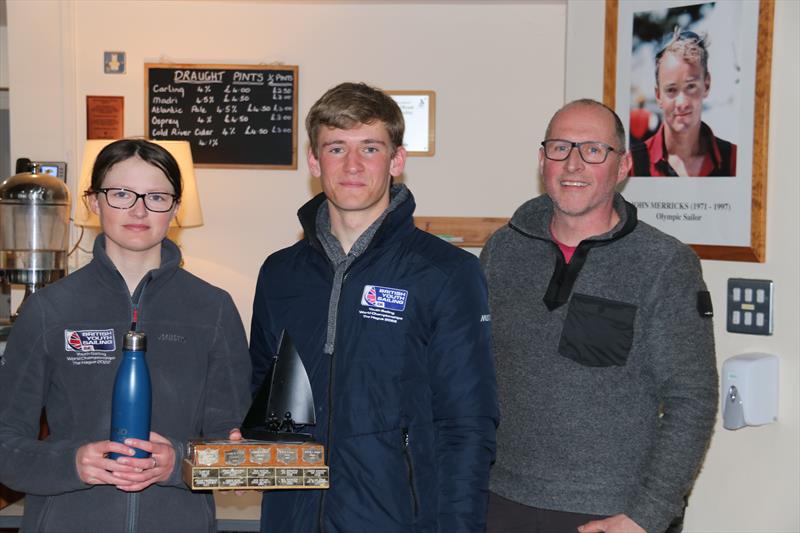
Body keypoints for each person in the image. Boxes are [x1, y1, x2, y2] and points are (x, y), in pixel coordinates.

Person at [249, 82, 498, 532]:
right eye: (336, 147)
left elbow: (467, 425)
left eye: (370, 147)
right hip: (292, 518)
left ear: (397, 160)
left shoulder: (446, 273)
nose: (352, 165)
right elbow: (263, 396)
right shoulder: (279, 274)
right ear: (313, 160)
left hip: (398, 519)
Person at [482, 99, 718, 533]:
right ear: (542, 160)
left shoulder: (664, 264)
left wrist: (647, 515)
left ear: (623, 165)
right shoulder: (503, 250)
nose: (573, 164)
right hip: (501, 501)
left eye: (593, 150)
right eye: (560, 148)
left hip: (610, 513)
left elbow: (693, 399)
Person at [0, 139, 252, 532]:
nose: (138, 209)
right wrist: (72, 463)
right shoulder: (49, 309)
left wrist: (178, 461)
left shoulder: (214, 309)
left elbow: (234, 451)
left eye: (156, 196)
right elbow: (6, 445)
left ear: (176, 208)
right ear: (94, 202)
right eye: (120, 194)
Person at [630, 28, 737, 177]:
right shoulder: (632, 166)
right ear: (658, 95)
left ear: (706, 85)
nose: (682, 103)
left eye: (691, 87)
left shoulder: (735, 161)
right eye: (671, 90)